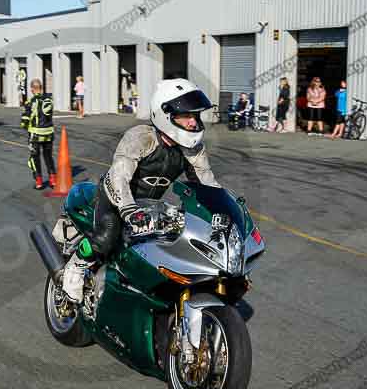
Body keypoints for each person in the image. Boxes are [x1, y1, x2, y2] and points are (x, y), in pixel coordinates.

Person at [61, 78, 222, 303]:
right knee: (107, 235)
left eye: (195, 116)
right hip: (115, 198)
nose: (194, 122)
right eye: (187, 116)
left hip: (149, 206)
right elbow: (119, 176)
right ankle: (75, 268)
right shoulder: (141, 137)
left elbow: (208, 184)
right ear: (166, 114)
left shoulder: (192, 149)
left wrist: (223, 212)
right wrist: (129, 210)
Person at [20, 78, 56, 190]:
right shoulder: (49, 100)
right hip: (49, 133)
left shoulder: (30, 102)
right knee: (48, 156)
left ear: (32, 89)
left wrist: (25, 125)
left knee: (34, 158)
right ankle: (53, 180)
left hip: (35, 134)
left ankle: (39, 182)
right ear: (41, 88)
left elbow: (24, 121)